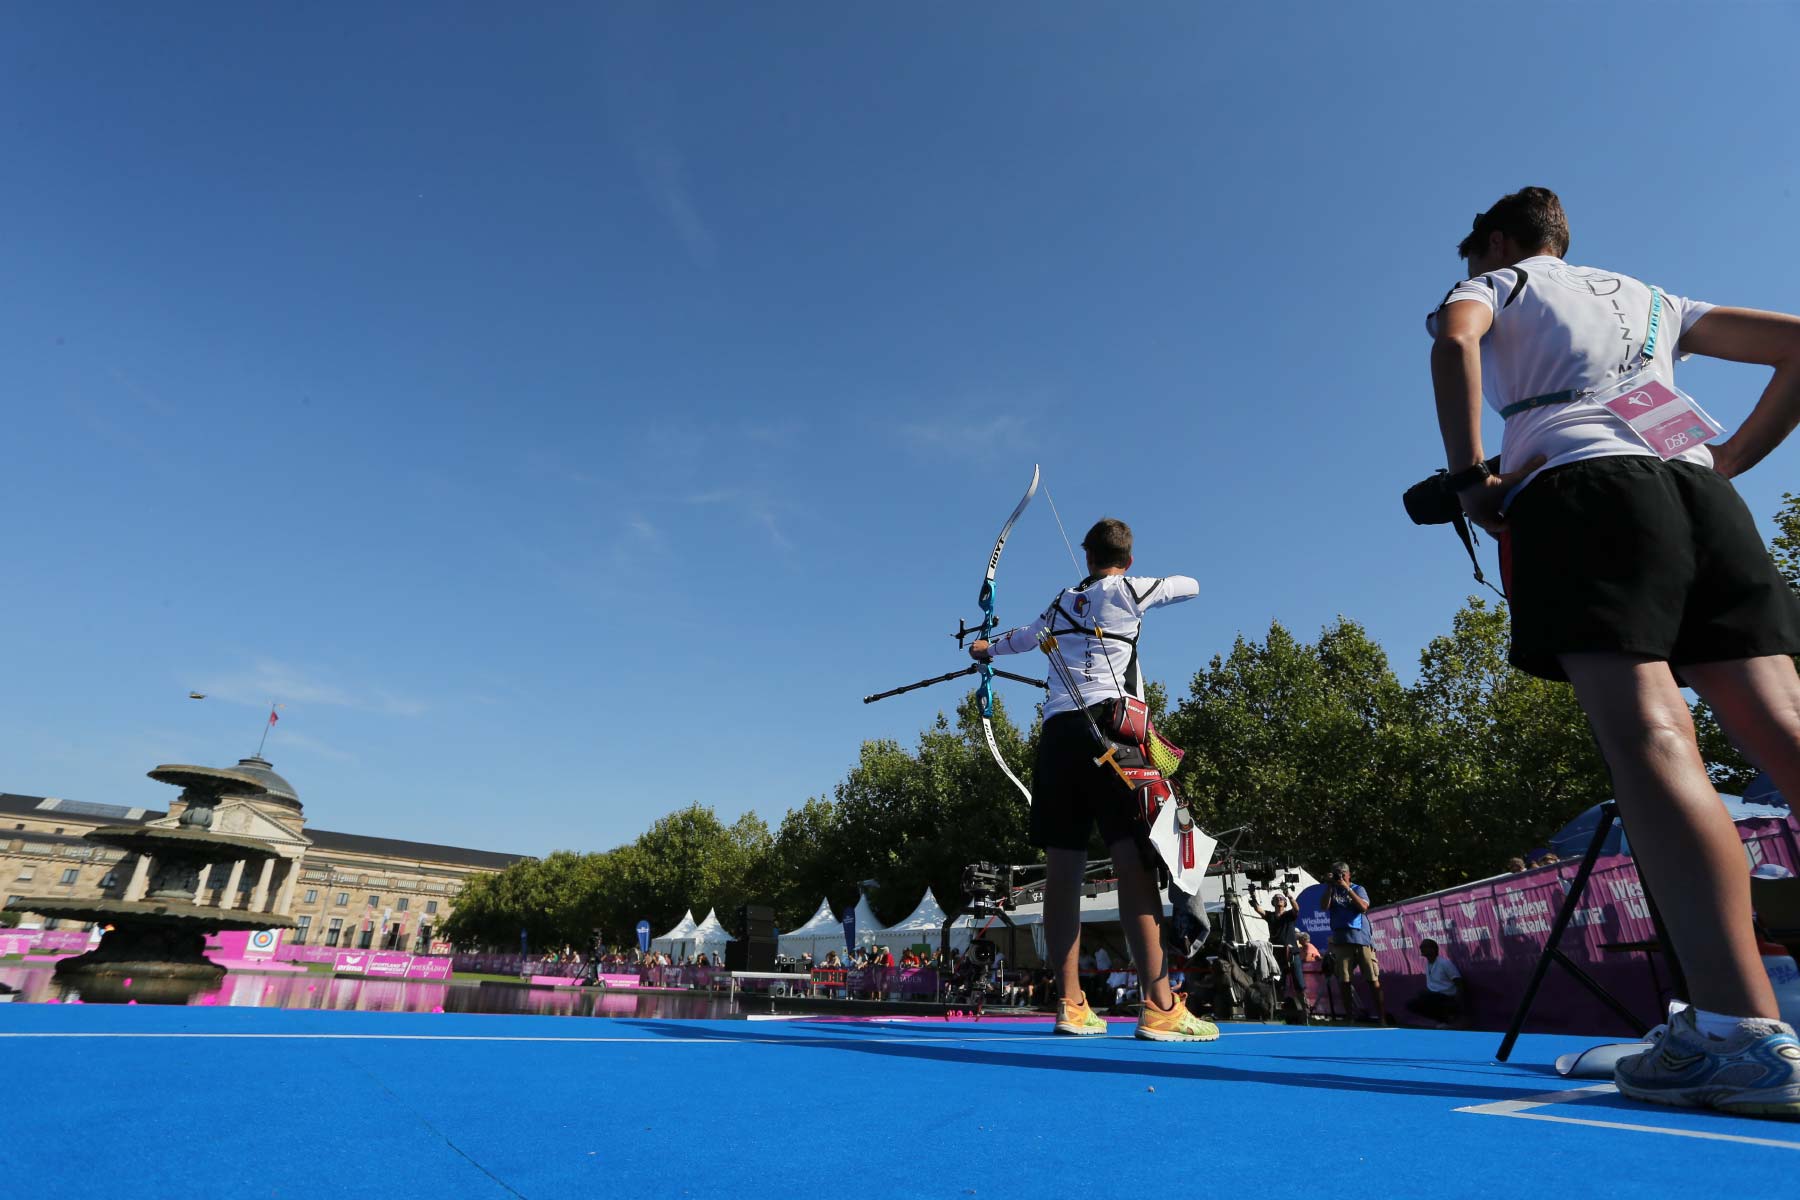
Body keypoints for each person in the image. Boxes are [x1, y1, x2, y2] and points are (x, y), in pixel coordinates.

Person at [1428, 187, 1800, 1117]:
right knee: (1789, 729)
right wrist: (1738, 458)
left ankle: (1736, 1032)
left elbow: (1454, 339)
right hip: (1699, 493)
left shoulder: (1503, 282)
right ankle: (1730, 1026)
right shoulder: (1653, 297)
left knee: (1653, 737)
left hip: (1586, 491)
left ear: (1502, 242)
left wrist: (1473, 475)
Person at [970, 517, 1216, 1043]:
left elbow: (1018, 639)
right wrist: (1144, 587)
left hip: (1058, 737)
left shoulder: (1059, 602)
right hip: (1110, 733)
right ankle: (1159, 1005)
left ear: (1086, 556)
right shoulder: (1131, 588)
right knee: (1133, 863)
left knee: (1063, 869)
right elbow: (1192, 585)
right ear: (1126, 558)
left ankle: (1071, 1004)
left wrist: (985, 649)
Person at [1319, 861, 1386, 1024]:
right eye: (1336, 872)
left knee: (1372, 978)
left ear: (1349, 874)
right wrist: (1329, 886)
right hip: (1342, 940)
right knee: (1344, 980)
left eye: (1342, 872)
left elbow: (1363, 907)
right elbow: (1323, 907)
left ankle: (1382, 1018)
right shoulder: (1332, 890)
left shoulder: (1358, 888)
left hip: (1361, 939)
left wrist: (1346, 888)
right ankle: (1349, 1018)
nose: (1339, 875)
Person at [1404, 938, 1464, 1027]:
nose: (1420, 948)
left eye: (1424, 946)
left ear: (1433, 949)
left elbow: (1459, 983)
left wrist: (1457, 1002)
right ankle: (1442, 1020)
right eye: (1421, 946)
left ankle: (1449, 1018)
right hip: (1434, 996)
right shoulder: (1428, 964)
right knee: (1411, 1004)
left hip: (1447, 997)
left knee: (1425, 995)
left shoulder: (1444, 963)